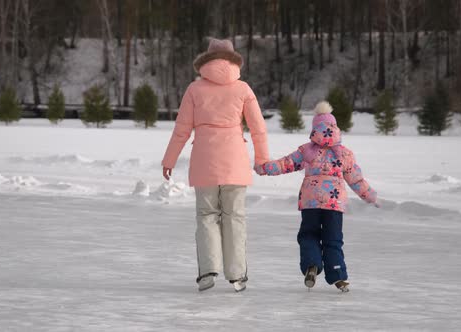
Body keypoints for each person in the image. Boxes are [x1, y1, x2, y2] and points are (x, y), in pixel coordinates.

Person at [161, 38, 269, 292]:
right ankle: (237, 276)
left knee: (207, 216)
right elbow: (258, 128)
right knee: (235, 217)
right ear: (233, 60)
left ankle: (208, 272)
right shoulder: (243, 89)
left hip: (204, 162)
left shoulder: (194, 89)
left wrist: (169, 160)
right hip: (235, 163)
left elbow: (181, 130)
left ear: (207, 60)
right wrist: (262, 159)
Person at [254, 101, 378, 292]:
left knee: (309, 234)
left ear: (315, 129)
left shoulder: (307, 150)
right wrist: (371, 197)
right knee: (333, 239)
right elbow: (356, 180)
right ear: (335, 128)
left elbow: (285, 163)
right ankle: (338, 275)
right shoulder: (344, 154)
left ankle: (312, 264)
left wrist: (265, 168)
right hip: (334, 204)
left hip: (310, 202)